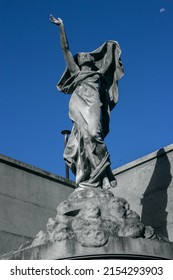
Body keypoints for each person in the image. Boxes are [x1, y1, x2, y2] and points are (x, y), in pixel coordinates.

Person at [50, 15, 124, 189]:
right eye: (81, 55)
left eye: (86, 55)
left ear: (92, 60)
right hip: (77, 105)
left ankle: (106, 171)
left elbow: (109, 61)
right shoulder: (76, 72)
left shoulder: (99, 74)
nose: (83, 55)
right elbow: (65, 49)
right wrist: (61, 27)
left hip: (93, 105)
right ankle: (102, 175)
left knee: (94, 135)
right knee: (82, 141)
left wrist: (112, 47)